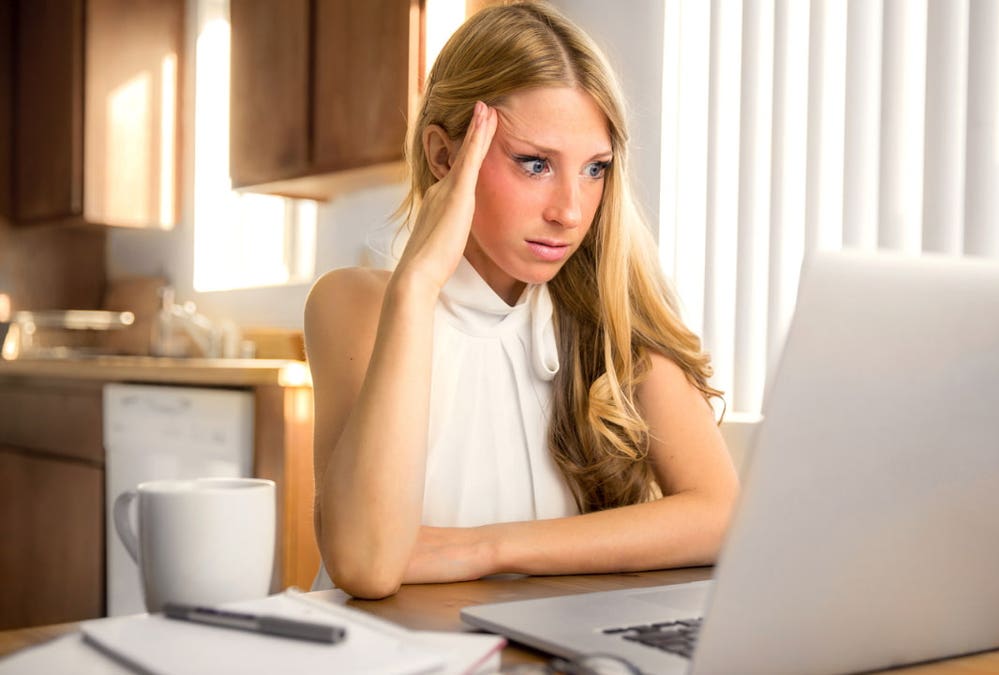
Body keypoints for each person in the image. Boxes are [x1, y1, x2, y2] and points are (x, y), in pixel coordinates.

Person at [303, 1, 739, 599]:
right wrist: (417, 285)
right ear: (444, 156)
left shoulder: (609, 318)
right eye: (535, 164)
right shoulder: (355, 304)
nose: (570, 210)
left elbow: (721, 514)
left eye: (594, 169)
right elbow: (367, 564)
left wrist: (486, 548)